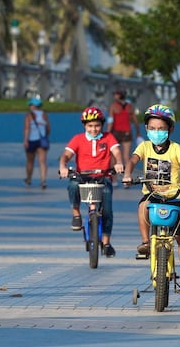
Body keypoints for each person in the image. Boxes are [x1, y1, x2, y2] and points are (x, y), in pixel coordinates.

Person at [122, 103, 180, 294]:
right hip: (152, 197)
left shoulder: (176, 149)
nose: (156, 132)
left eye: (161, 129)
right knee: (143, 205)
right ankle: (146, 242)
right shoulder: (144, 147)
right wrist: (127, 174)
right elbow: (132, 160)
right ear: (146, 129)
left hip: (174, 198)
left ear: (170, 129)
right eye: (152, 128)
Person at [58, 107, 124, 257]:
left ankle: (106, 243)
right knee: (73, 184)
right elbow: (66, 155)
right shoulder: (78, 139)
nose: (93, 129)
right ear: (84, 126)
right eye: (90, 126)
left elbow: (117, 152)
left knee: (107, 210)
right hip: (83, 177)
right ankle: (76, 214)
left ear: (101, 125)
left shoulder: (108, 137)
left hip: (103, 177)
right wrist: (63, 166)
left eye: (97, 126)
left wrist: (119, 163)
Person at [23, 97, 50, 189]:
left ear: (34, 106)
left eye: (30, 105)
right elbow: (48, 129)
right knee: (42, 162)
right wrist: (44, 136)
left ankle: (29, 179)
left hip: (31, 140)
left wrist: (25, 140)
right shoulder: (44, 115)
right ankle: (43, 181)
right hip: (42, 140)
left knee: (30, 161)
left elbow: (27, 128)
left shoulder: (29, 115)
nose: (29, 106)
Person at [106, 89, 139, 156]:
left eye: (116, 94)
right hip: (127, 132)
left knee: (113, 155)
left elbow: (110, 121)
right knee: (126, 156)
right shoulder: (130, 106)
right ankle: (126, 167)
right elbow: (135, 121)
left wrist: (107, 133)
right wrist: (138, 133)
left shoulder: (113, 106)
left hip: (115, 132)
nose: (114, 96)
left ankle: (114, 167)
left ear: (119, 95)